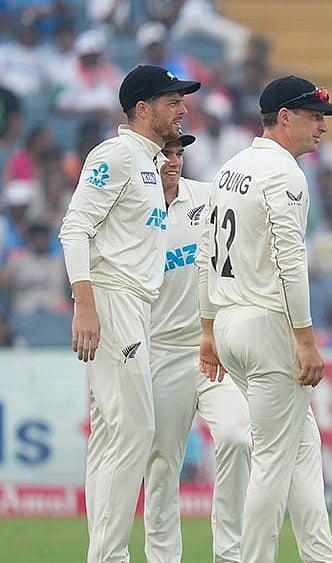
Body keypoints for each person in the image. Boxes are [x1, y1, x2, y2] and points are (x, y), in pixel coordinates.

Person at [196, 75, 332, 563]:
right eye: (314, 116)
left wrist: (207, 329)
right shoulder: (284, 174)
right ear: (285, 117)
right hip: (265, 324)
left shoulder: (230, 168)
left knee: (301, 444)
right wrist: (305, 339)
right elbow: (290, 263)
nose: (322, 127)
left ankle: (323, 556)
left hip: (229, 319)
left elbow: (205, 254)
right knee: (274, 459)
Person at [58, 64, 200, 563]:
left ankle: (103, 553)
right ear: (143, 109)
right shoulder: (117, 155)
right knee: (135, 431)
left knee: (112, 435)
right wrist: (87, 306)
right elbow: (74, 229)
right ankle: (110, 555)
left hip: (133, 306)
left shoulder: (148, 165)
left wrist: (161, 196)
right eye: (173, 102)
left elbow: (127, 235)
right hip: (114, 300)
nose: (183, 110)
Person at [144, 133, 251, 563]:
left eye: (178, 153)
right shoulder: (132, 212)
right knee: (162, 466)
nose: (173, 161)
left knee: (237, 437)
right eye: (164, 154)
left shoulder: (208, 199)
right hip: (160, 350)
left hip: (214, 347)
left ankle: (229, 554)